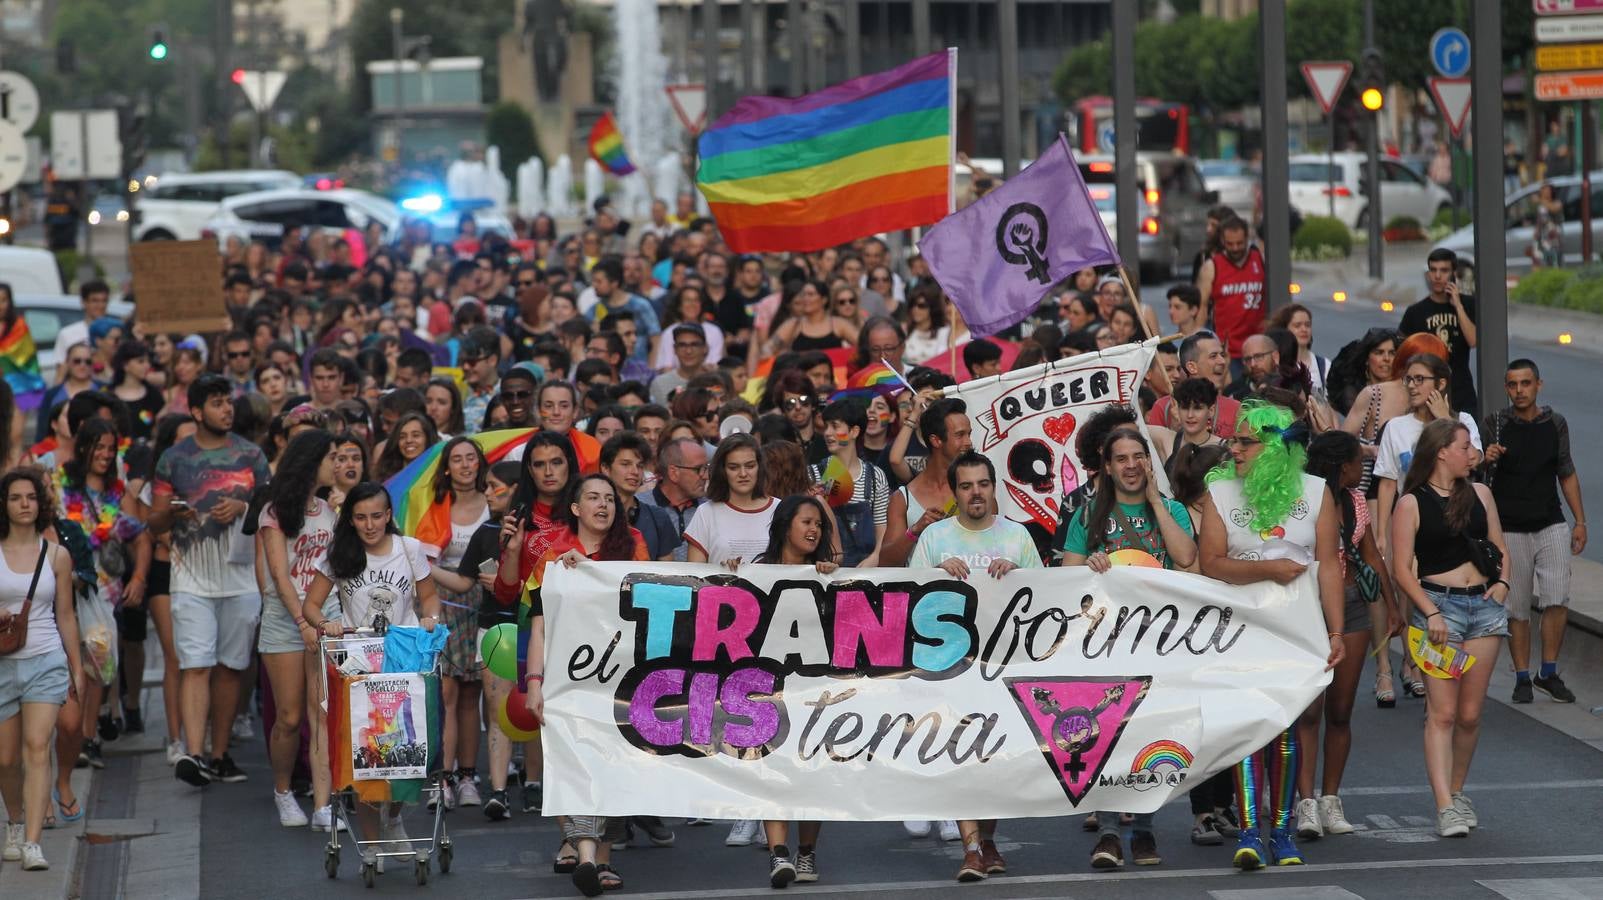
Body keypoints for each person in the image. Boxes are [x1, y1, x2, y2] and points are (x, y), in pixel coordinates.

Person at [1196, 400, 1345, 869]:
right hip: (1239, 632)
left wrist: (1336, 629)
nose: (1233, 449)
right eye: (1233, 441)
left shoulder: (1317, 492)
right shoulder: (1220, 493)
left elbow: (1328, 568)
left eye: (1245, 442)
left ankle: (1281, 833)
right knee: (1247, 729)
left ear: (1275, 447)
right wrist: (1268, 569)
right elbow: (1212, 564)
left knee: (1284, 729)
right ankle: (1248, 834)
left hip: (1295, 632)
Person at [1060, 428, 1196, 870]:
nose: (1132, 465)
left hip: (1159, 645)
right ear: (1107, 465)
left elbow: (1188, 557)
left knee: (1149, 738)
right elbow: (1065, 581)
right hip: (1104, 647)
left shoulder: (1171, 509)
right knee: (1107, 737)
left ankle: (1144, 830)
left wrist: (1158, 503)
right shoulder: (1087, 515)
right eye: (1122, 458)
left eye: (1139, 456)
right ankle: (1108, 833)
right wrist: (1090, 571)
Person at [909, 450, 1042, 883]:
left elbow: (1045, 597)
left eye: (982, 484)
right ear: (955, 492)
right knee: (961, 756)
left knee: (996, 760)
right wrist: (935, 572)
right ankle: (970, 848)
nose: (976, 493)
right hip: (950, 669)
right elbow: (909, 596)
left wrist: (1020, 573)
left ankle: (987, 840)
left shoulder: (1018, 537)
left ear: (993, 487)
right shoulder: (934, 539)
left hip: (1003, 669)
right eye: (966, 486)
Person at [518, 473, 649, 897]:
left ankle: (601, 859)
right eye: (592, 498)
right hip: (566, 680)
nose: (603, 505)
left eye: (609, 499)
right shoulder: (552, 557)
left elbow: (654, 601)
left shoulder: (634, 547)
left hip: (623, 680)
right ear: (575, 508)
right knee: (574, 765)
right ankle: (589, 857)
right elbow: (538, 627)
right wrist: (534, 683)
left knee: (612, 767)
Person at [301, 483, 441, 859]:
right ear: (350, 519)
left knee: (408, 749)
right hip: (359, 663)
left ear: (388, 515)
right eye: (360, 517)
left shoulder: (408, 549)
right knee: (365, 752)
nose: (369, 524)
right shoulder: (339, 554)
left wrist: (430, 618)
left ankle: (393, 817)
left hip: (404, 658)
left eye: (376, 516)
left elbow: (429, 596)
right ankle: (371, 841)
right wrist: (326, 624)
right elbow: (312, 605)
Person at [1388, 418, 1511, 838]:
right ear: (1442, 451)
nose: (1471, 453)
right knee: (1441, 713)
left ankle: (1458, 791)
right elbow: (1400, 568)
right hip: (1438, 610)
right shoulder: (1412, 502)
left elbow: (1498, 547)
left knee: (1471, 714)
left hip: (1484, 608)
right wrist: (1429, 612)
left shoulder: (1480, 494)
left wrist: (1502, 585)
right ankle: (1444, 805)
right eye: (1464, 446)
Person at [149, 375, 271, 787]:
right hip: (190, 577)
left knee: (231, 666)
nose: (227, 410)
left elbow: (270, 508)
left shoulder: (252, 455)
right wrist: (173, 513)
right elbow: (154, 519)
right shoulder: (173, 459)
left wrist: (242, 504)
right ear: (197, 411)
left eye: (228, 403)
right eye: (217, 403)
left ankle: (220, 756)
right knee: (195, 664)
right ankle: (193, 753)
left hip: (240, 576)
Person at [1294, 431, 1403, 841]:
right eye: (1359, 461)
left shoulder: (1356, 503)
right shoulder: (1302, 500)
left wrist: (1390, 607)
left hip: (1354, 603)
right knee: (1309, 711)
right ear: (1343, 466)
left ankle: (1330, 798)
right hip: (1308, 606)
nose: (1364, 468)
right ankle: (1304, 802)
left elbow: (1372, 554)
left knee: (1340, 710)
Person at [747, 495, 839, 888]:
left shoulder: (828, 572)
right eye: (806, 522)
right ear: (785, 525)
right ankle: (778, 854)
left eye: (818, 524)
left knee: (810, 770)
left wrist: (831, 577)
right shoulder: (757, 571)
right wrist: (731, 574)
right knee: (772, 769)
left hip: (814, 688)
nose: (813, 530)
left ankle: (807, 852)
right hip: (766, 688)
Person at [1483, 360, 1585, 704]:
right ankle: (1523, 676)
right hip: (1509, 526)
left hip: (1550, 521)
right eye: (1512, 385)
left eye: (1526, 383)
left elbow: (1566, 471)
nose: (1519, 391)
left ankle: (1549, 671)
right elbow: (1475, 476)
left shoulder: (1554, 423)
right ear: (1506, 388)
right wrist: (1487, 458)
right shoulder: (1495, 423)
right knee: (1516, 607)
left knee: (1557, 597)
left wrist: (1579, 521)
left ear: (1538, 384)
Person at [54, 419, 150, 771]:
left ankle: (88, 737)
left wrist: (138, 578)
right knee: (68, 666)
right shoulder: (62, 485)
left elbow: (140, 535)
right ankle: (70, 736)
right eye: (99, 447)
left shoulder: (116, 491)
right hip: (63, 588)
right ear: (84, 448)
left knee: (97, 664)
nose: (106, 455)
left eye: (111, 448)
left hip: (104, 591)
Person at [254, 429, 338, 828]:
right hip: (285, 619)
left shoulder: (329, 509)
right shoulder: (273, 511)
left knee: (321, 712)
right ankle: (283, 791)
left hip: (324, 616)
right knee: (288, 716)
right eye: (331, 457)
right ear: (311, 461)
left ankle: (323, 804)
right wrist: (302, 620)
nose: (337, 464)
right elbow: (279, 574)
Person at [0, 468, 82, 872]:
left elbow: (66, 615)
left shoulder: (57, 555)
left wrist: (76, 667)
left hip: (46, 660)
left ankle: (33, 841)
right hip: (2, 665)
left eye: (30, 497)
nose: (24, 504)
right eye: (15, 497)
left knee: (37, 746)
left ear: (40, 501)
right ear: (5, 504)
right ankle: (14, 822)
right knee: (5, 759)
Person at [409, 436, 492, 810]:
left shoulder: (496, 504)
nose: (463, 465)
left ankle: (468, 777)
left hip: (483, 602)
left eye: (469, 458)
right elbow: (419, 563)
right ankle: (441, 777)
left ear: (479, 463)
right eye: (456, 459)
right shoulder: (434, 508)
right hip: (442, 602)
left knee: (472, 695)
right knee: (445, 693)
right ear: (446, 468)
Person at [448, 459, 526, 821]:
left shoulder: (542, 531)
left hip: (535, 628)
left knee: (542, 712)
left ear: (514, 490)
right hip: (494, 629)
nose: (487, 493)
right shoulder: (484, 533)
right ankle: (498, 792)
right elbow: (464, 582)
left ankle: (538, 785)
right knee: (498, 714)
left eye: (494, 486)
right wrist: (420, 565)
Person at [881, 398, 973, 567]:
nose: (968, 442)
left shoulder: (978, 493)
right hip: (922, 592)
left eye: (969, 434)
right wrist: (915, 530)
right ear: (936, 440)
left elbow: (994, 548)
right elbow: (886, 564)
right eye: (960, 435)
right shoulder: (903, 499)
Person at [810, 398, 889, 567]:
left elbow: (882, 527)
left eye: (835, 426)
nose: (827, 433)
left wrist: (875, 557)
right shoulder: (814, 473)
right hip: (825, 570)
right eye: (826, 427)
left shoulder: (876, 477)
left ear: (854, 431)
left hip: (865, 570)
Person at [1400, 249, 1478, 413]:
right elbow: (1402, 355)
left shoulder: (1468, 304)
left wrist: (1458, 305)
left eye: (1443, 270)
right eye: (1433, 270)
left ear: (1453, 273)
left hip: (1461, 391)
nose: (1437, 276)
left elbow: (1473, 340)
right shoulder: (1415, 312)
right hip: (1426, 393)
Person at [1196, 216, 1266, 371]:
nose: (1235, 248)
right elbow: (1201, 306)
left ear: (1247, 238)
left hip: (1259, 347)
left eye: (1240, 243)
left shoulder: (1260, 260)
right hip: (1228, 351)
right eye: (1230, 244)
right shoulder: (1212, 267)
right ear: (1222, 240)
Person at [599, 433, 681, 561]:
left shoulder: (658, 517)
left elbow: (667, 573)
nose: (635, 472)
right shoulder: (591, 514)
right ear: (605, 468)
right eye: (625, 464)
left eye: (640, 466)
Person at [638, 436, 708, 563]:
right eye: (698, 469)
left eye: (706, 468)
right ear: (673, 472)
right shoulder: (639, 506)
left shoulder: (710, 508)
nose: (705, 476)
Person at [1269, 304, 1331, 397]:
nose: (1304, 329)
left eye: (1307, 325)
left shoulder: (1324, 365)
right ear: (1284, 330)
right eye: (1297, 325)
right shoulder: (1277, 363)